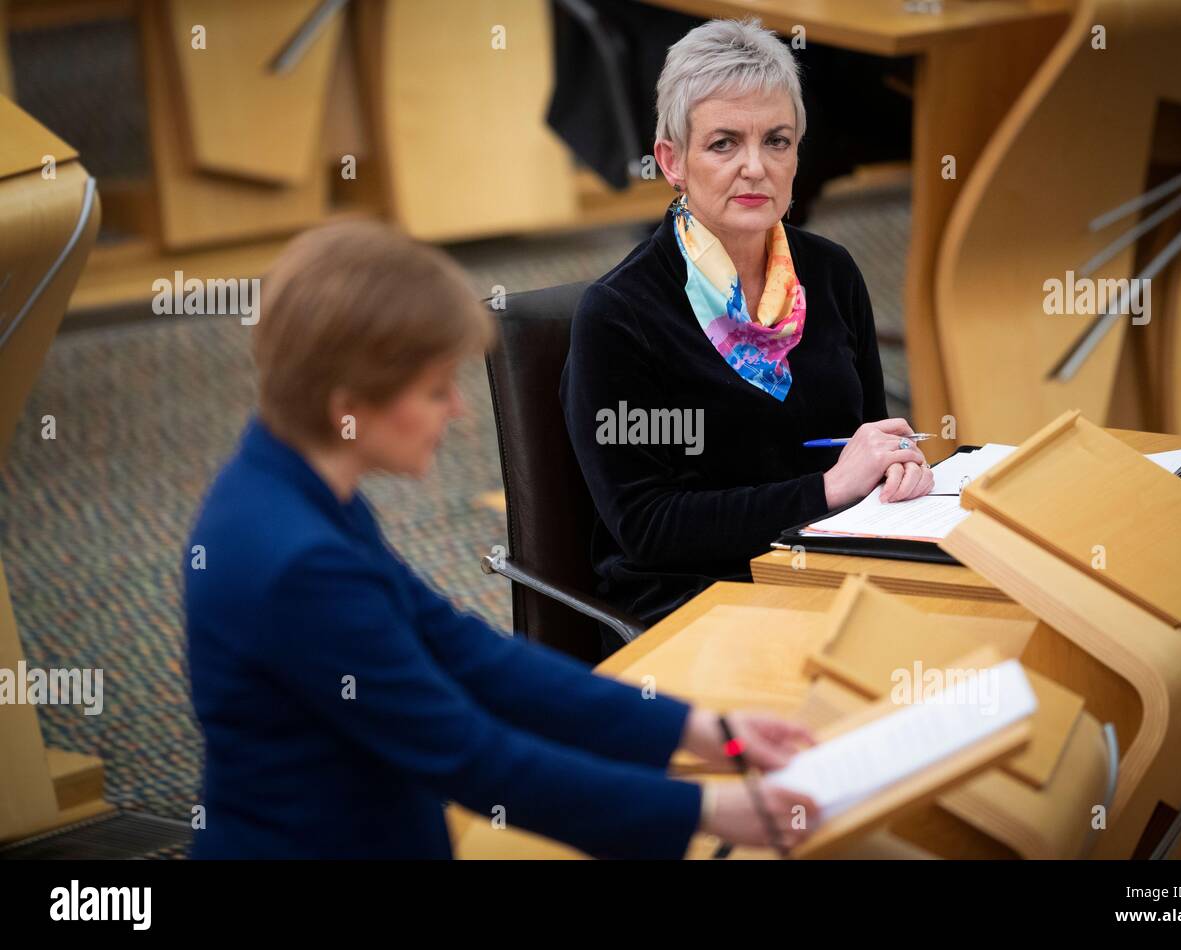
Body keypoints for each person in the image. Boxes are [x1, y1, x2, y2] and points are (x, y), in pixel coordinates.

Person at [183, 220, 820, 859]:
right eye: (435, 389)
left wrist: (706, 731)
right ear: (347, 403)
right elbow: (472, 756)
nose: (458, 411)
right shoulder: (300, 563)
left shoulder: (291, 480)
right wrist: (710, 809)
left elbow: (468, 655)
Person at [561, 18, 933, 630]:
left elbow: (863, 440)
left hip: (832, 565)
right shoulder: (621, 315)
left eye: (777, 141)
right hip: (696, 603)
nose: (756, 167)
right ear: (671, 160)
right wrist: (828, 491)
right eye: (724, 143)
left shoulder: (831, 272)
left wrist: (891, 466)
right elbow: (649, 526)